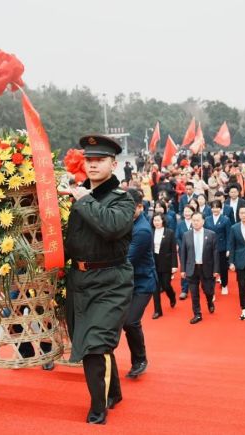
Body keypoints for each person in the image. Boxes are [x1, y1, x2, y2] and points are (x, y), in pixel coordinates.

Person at [65, 134, 136, 424]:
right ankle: (113, 392)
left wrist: (83, 199)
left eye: (100, 160)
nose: (92, 164)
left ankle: (97, 409)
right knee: (88, 341)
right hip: (79, 279)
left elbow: (111, 227)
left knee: (95, 344)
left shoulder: (123, 200)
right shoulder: (77, 195)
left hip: (111, 281)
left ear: (113, 164)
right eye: (89, 159)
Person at [123, 188, 157, 378]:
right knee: (125, 323)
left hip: (143, 283)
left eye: (130, 209)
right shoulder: (128, 222)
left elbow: (127, 260)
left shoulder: (142, 230)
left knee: (131, 321)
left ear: (140, 207)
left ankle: (140, 360)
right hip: (127, 282)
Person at [180, 211, 220, 324]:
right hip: (191, 268)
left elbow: (215, 254)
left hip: (206, 267)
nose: (195, 222)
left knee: (208, 290)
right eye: (193, 220)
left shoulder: (211, 234)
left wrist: (216, 270)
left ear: (203, 221)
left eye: (198, 220)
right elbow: (183, 253)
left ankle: (209, 301)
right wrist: (182, 269)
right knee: (194, 292)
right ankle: (197, 314)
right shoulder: (186, 235)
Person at [151, 213, 178, 319]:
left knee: (166, 285)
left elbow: (173, 250)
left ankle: (172, 296)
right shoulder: (150, 232)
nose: (156, 222)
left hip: (166, 262)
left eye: (158, 220)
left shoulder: (169, 232)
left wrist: (174, 265)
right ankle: (157, 310)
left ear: (163, 221)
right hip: (154, 262)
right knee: (155, 288)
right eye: (154, 220)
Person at [204, 200, 231, 295]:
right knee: (210, 268)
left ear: (221, 208)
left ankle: (224, 285)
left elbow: (229, 235)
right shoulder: (207, 219)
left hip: (222, 247)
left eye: (217, 207)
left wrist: (228, 248)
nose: (215, 209)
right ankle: (211, 289)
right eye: (213, 207)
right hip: (209, 247)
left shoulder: (226, 219)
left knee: (223, 268)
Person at [176, 205, 194, 300]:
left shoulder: (195, 222)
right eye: (185, 211)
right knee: (184, 268)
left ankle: (194, 285)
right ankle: (184, 290)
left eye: (189, 211)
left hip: (195, 249)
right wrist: (183, 245)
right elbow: (177, 236)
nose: (187, 213)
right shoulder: (180, 223)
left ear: (193, 212)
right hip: (183, 250)